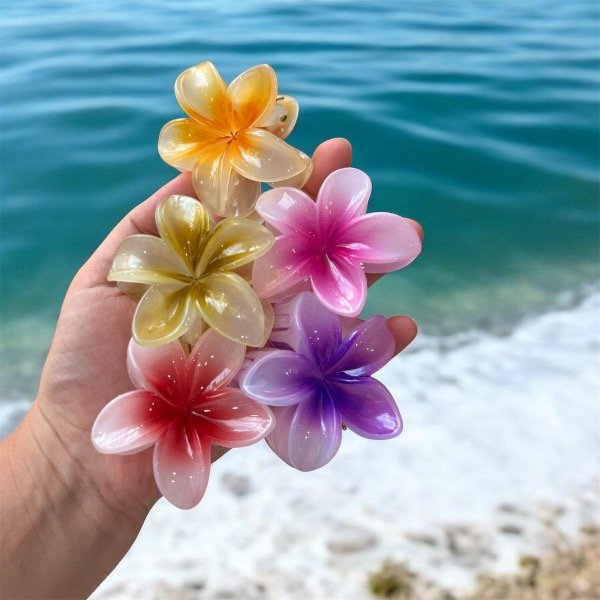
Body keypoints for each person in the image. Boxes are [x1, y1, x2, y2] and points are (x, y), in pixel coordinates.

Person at [0, 138, 423, 599]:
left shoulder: (268, 329)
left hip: (257, 337)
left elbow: (273, 327)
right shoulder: (176, 354)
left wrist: (62, 468)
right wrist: (61, 459)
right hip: (216, 334)